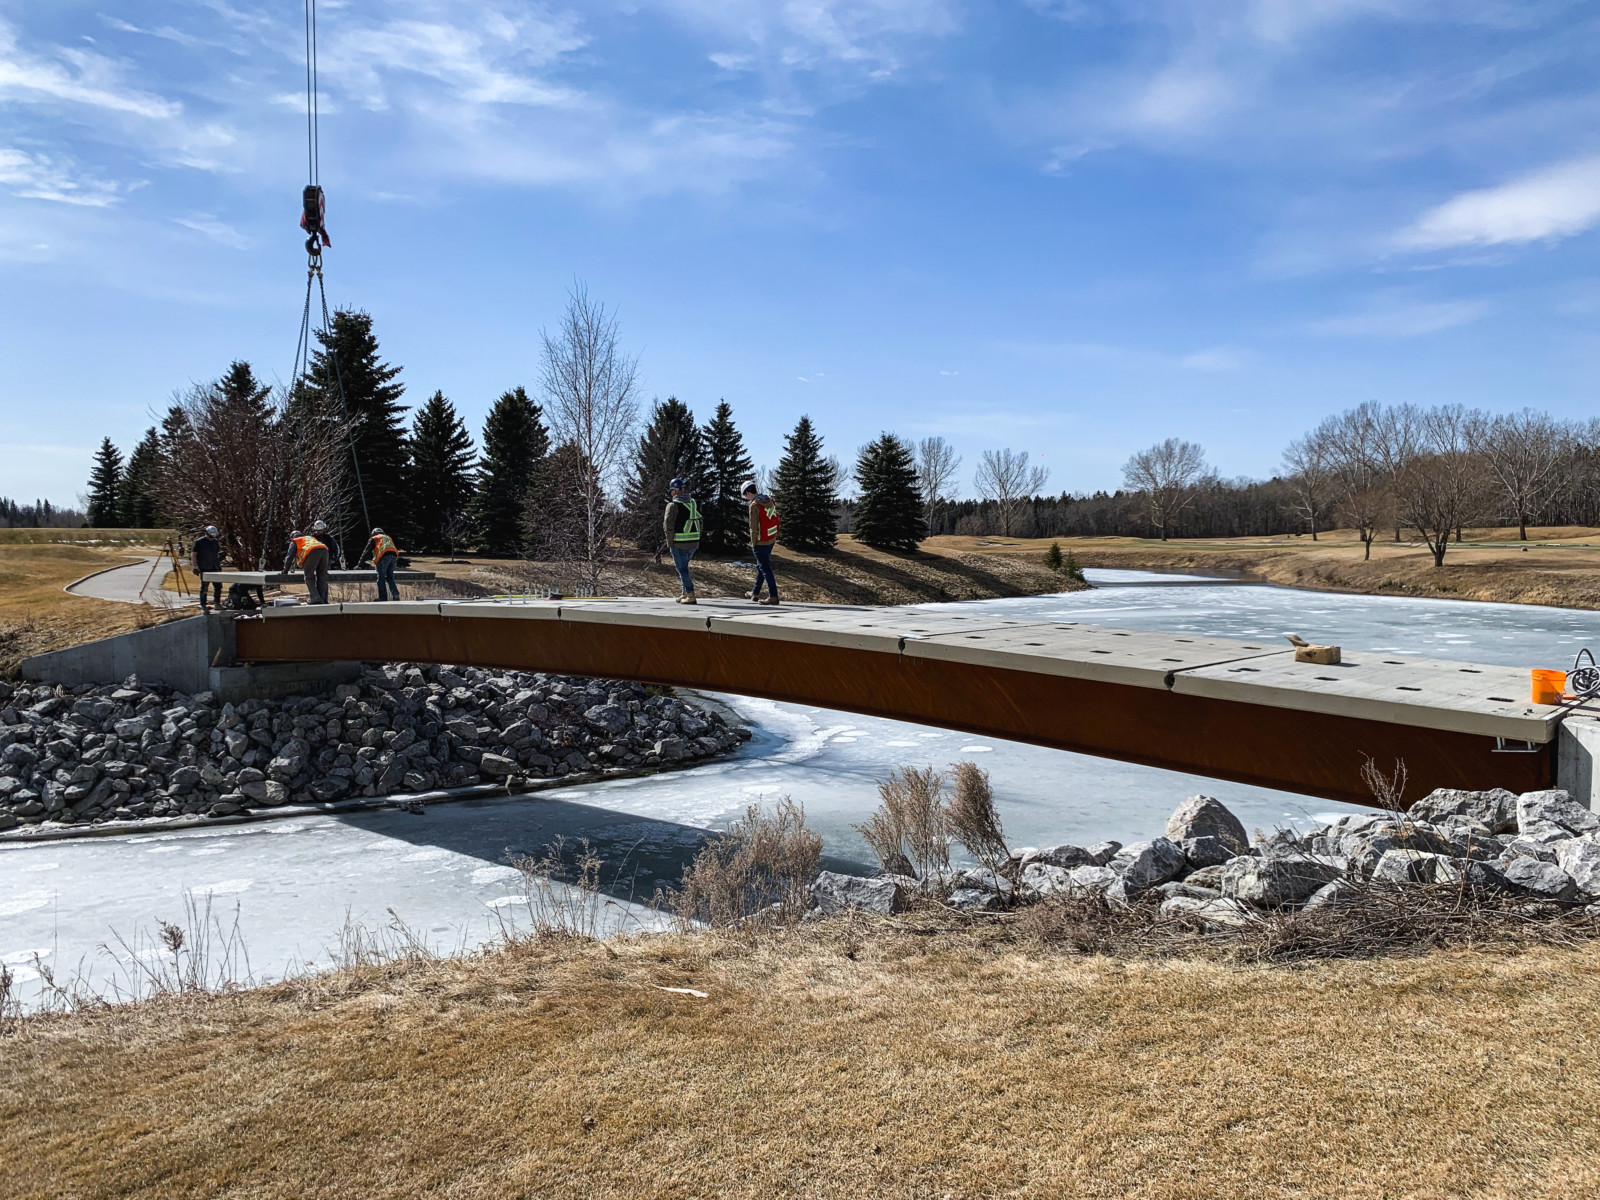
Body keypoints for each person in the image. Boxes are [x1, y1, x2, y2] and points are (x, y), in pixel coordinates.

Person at [662, 477, 702, 604]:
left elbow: (668, 525)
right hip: (694, 542)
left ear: (674, 491)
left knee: (682, 569)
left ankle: (690, 594)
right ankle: (684, 593)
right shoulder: (693, 503)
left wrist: (670, 543)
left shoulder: (673, 505)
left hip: (679, 543)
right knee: (684, 567)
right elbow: (701, 521)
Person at [742, 482, 780, 606]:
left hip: (760, 541)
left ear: (748, 493)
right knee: (761, 566)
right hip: (770, 538)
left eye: (745, 496)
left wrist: (753, 543)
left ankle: (773, 596)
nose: (746, 499)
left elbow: (753, 527)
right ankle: (755, 592)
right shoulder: (769, 500)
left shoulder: (754, 505)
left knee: (765, 568)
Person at [284, 528, 331, 605]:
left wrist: (285, 571)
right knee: (322, 576)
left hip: (312, 552)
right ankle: (323, 600)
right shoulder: (310, 538)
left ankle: (315, 598)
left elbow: (289, 557)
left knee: (309, 576)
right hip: (324, 550)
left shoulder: (295, 541)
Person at [358, 526, 401, 601]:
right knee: (390, 577)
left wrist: (359, 565)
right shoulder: (388, 537)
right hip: (394, 556)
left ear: (374, 533)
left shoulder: (374, 538)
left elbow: (366, 552)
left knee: (381, 578)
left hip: (383, 556)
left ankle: (383, 597)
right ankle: (395, 594)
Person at [193, 525, 223, 612]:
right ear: (206, 534)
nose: (212, 538)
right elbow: (194, 554)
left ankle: (217, 603)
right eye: (210, 536)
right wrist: (195, 566)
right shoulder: (199, 542)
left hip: (215, 567)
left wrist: (219, 563)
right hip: (205, 568)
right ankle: (203, 605)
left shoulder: (215, 542)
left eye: (213, 537)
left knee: (218, 586)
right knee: (204, 587)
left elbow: (216, 554)